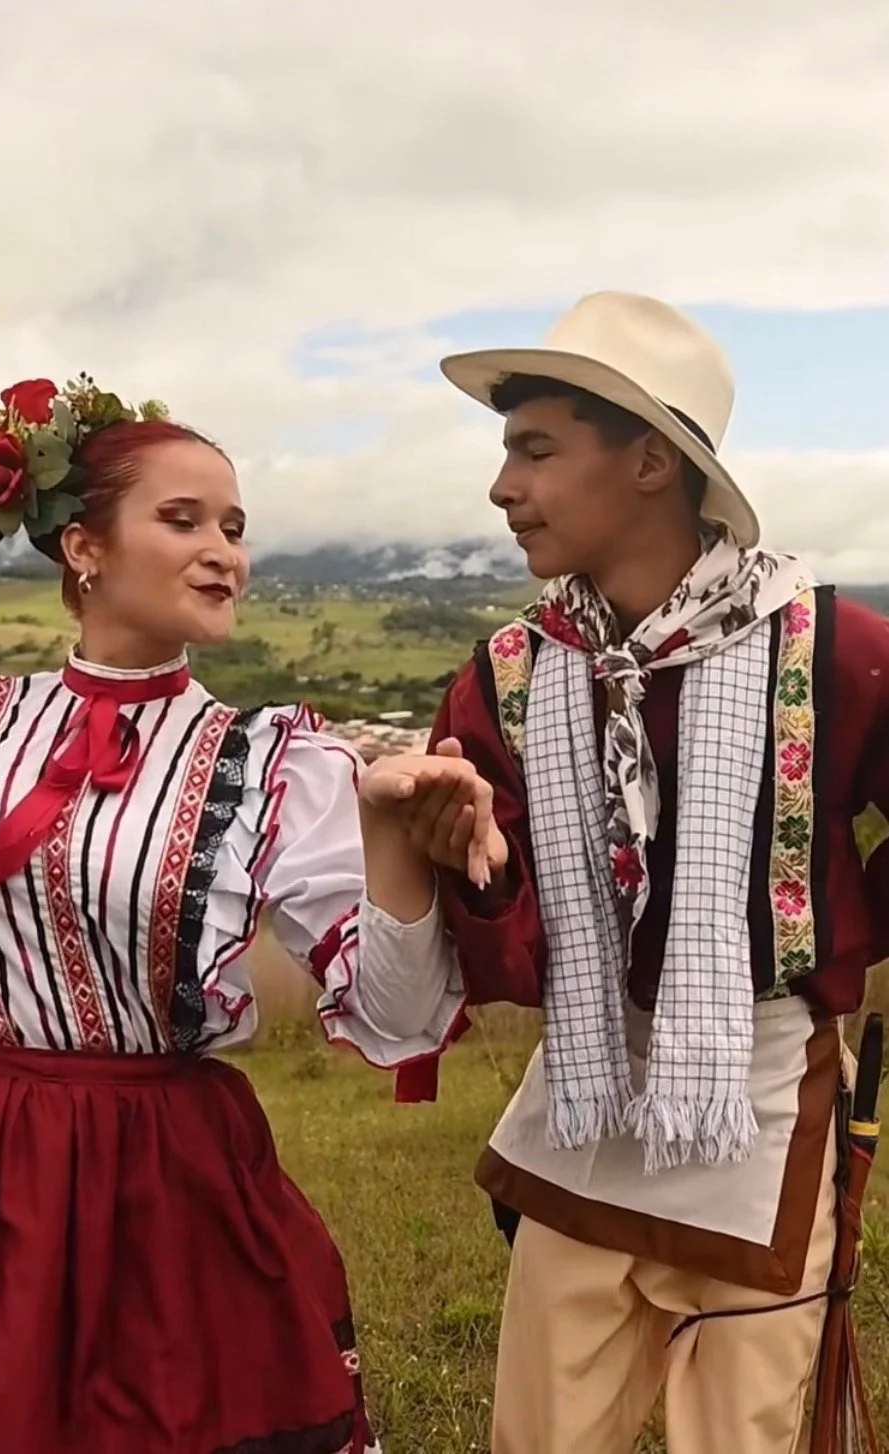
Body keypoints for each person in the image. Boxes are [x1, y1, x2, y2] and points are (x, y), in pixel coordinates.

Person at [0, 375, 505, 1454]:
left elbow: (400, 1019)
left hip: (163, 1174)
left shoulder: (272, 763)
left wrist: (388, 842)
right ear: (82, 546)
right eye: (181, 519)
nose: (223, 549)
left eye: (233, 526)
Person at [405, 292, 889, 1453]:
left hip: (762, 1102)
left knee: (741, 1436)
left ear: (650, 462)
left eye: (533, 448)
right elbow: (503, 935)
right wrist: (464, 865)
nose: (501, 487)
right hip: (586, 1105)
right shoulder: (509, 679)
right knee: (540, 1432)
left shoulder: (831, 653)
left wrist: (832, 928)